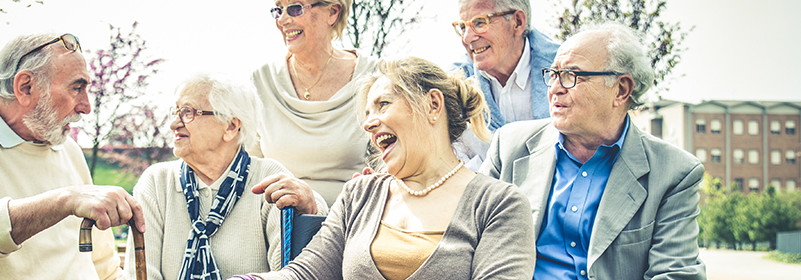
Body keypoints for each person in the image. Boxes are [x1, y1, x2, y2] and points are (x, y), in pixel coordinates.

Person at [231, 57, 534, 280]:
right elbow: (307, 272)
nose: (368, 122)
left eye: (383, 104)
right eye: (366, 112)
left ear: (432, 104)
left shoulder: (500, 204)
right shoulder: (360, 194)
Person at [480, 23, 706, 280]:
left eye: (571, 75)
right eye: (553, 74)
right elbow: (469, 240)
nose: (554, 88)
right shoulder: (509, 147)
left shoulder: (675, 173)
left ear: (621, 89)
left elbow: (676, 273)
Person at [0, 33, 145, 280]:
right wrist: (65, 200)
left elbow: (104, 266)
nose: (86, 106)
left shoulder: (69, 149)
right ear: (25, 87)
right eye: (77, 88)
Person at [130, 74, 329, 280]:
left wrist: (311, 207)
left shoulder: (267, 178)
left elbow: (286, 272)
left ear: (231, 126)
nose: (173, 124)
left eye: (187, 112)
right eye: (176, 112)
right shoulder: (156, 182)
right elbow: (140, 275)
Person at [250, 0, 381, 206]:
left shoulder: (375, 77)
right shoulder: (261, 81)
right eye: (278, 10)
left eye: (295, 8)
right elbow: (251, 168)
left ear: (332, 13)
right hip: (280, 221)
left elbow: (389, 167)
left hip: (350, 219)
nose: (283, 20)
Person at [451, 0, 562, 169]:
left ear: (517, 22)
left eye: (479, 22)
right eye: (463, 27)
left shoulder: (567, 74)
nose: (467, 38)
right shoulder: (453, 85)